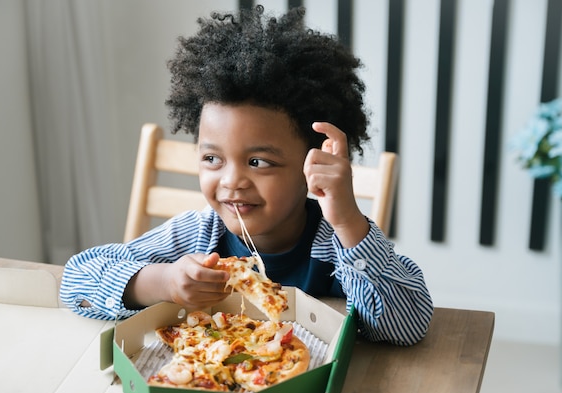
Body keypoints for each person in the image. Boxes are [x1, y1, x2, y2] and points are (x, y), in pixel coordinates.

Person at [60, 5, 433, 345]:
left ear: (312, 164)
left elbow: (408, 326)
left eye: (258, 162)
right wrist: (164, 282)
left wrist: (350, 222)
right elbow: (75, 280)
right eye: (212, 158)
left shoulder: (336, 246)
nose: (231, 181)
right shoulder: (197, 234)